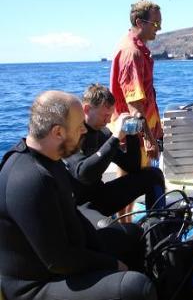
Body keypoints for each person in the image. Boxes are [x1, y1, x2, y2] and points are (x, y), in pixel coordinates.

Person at [0, 91, 157, 300]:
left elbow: (73, 217)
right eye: (78, 126)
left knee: (137, 236)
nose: (84, 130)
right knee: (136, 287)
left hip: (68, 255)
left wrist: (104, 251)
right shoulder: (30, 179)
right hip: (37, 286)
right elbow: (59, 261)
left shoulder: (50, 159)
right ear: (58, 132)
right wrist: (112, 264)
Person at [64, 84, 165, 228]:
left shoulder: (103, 133)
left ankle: (158, 228)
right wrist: (115, 137)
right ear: (87, 109)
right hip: (79, 205)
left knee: (153, 175)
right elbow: (84, 173)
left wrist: (131, 135)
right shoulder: (71, 133)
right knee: (110, 230)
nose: (107, 121)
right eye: (104, 116)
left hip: (100, 196)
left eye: (110, 116)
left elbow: (132, 167)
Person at [110, 0, 163, 218]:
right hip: (133, 132)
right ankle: (124, 227)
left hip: (135, 129)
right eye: (156, 24)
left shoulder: (135, 47)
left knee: (129, 180)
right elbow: (135, 105)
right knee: (129, 183)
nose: (158, 29)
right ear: (140, 22)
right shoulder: (132, 53)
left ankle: (126, 223)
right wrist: (149, 139)